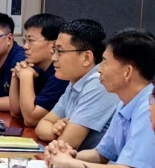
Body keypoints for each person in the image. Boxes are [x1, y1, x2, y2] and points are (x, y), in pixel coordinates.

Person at [45, 28, 155, 168]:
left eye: (105, 62)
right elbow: (101, 155)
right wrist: (67, 154)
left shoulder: (150, 109)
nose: (100, 69)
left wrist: (69, 162)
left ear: (127, 72)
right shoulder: (124, 103)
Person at [33, 18, 118, 151]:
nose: (54, 57)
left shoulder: (99, 83)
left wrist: (59, 134)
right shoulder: (76, 81)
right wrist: (54, 131)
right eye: (54, 50)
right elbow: (43, 124)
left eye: (60, 51)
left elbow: (66, 144)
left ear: (86, 58)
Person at [8, 12, 68, 129]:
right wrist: (16, 74)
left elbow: (30, 120)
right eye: (25, 41)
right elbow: (15, 112)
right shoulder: (36, 68)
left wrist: (25, 76)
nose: (25, 46)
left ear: (54, 45)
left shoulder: (61, 75)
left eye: (31, 41)